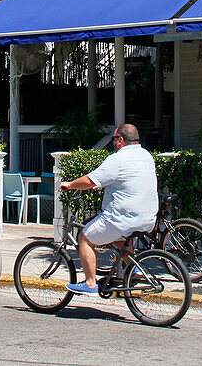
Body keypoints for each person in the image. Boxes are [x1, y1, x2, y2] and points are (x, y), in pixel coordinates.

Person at [59, 123, 157, 295]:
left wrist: (71, 184)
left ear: (120, 140)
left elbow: (90, 181)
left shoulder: (117, 159)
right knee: (118, 239)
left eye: (113, 139)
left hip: (123, 218)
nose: (113, 143)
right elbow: (129, 181)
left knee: (84, 238)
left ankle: (90, 283)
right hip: (147, 218)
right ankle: (134, 270)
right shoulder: (146, 155)